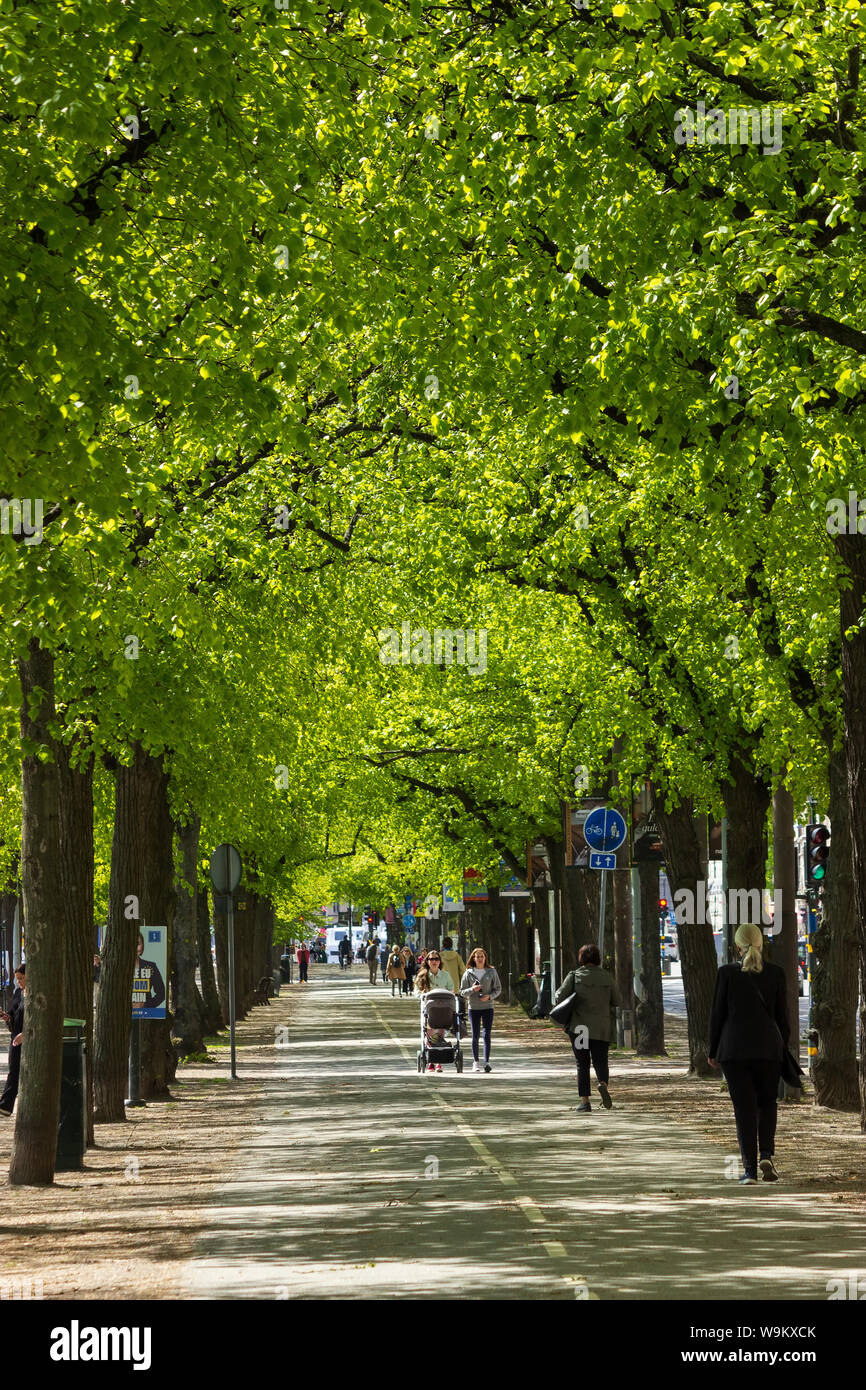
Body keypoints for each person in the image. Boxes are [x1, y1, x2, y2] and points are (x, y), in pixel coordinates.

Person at [709, 922, 788, 1184]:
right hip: (768, 1049)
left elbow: (717, 1015)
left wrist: (712, 1050)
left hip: (734, 1050)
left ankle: (749, 1170)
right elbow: (782, 1018)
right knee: (767, 1103)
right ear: (761, 944)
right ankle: (766, 1153)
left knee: (744, 1109)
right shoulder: (776, 973)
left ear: (738, 946)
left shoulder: (727, 973)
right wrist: (782, 1046)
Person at [554, 943, 618, 1113]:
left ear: (581, 958)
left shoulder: (575, 976)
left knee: (582, 1064)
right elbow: (617, 1000)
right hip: (602, 1027)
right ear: (597, 958)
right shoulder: (607, 977)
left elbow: (559, 996)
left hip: (580, 1027)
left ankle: (585, 1102)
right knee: (601, 1060)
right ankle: (603, 1084)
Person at [459, 947, 501, 1074]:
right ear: (473, 958)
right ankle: (476, 1062)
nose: (480, 959)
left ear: (485, 958)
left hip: (488, 1007)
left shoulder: (491, 971)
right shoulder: (468, 973)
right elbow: (462, 992)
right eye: (477, 956)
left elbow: (498, 989)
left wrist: (490, 996)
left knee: (486, 1034)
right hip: (474, 1007)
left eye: (482, 956)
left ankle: (486, 1062)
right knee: (475, 1035)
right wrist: (472, 989)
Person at [415, 952, 455, 1071]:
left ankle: (438, 1061)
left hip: (443, 1008)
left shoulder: (445, 975)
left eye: (436, 959)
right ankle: (431, 1060)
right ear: (427, 961)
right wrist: (422, 995)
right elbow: (416, 991)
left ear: (439, 961)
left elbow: (451, 988)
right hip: (429, 1009)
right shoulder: (422, 975)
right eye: (431, 959)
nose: (434, 961)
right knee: (430, 1031)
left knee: (440, 1031)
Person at [0, 965, 25, 1117]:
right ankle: (6, 1105)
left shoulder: (35, 995)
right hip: (16, 1038)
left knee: (16, 1072)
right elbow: (13, 1013)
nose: (19, 982)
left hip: (27, 1037)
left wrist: (26, 1034)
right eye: (17, 979)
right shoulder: (18, 993)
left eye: (21, 978)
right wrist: (5, 1016)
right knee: (14, 1070)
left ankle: (5, 1105)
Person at [133, 933, 166, 1011]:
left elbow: (161, 994)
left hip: (146, 1014)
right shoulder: (116, 968)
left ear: (142, 945)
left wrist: (145, 1004)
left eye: (138, 943)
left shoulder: (151, 966)